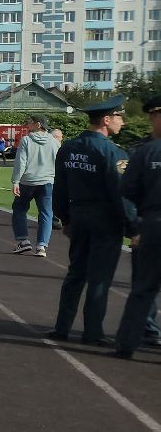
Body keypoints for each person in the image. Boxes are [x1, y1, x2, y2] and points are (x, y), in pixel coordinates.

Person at [48, 98, 132, 348]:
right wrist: (133, 226)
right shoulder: (112, 152)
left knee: (75, 274)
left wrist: (64, 218)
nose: (122, 122)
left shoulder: (69, 147)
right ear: (107, 120)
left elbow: (60, 187)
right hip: (105, 221)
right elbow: (120, 194)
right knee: (100, 278)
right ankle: (92, 332)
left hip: (79, 218)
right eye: (119, 117)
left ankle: (62, 327)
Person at [113, 96, 161, 358]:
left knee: (143, 288)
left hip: (153, 224)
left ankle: (127, 344)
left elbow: (127, 189)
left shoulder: (145, 152)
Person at [12, 114, 58, 256]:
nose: (27, 124)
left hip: (28, 181)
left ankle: (23, 241)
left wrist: (15, 181)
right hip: (47, 182)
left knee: (19, 208)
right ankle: (42, 246)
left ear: (38, 124)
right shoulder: (54, 142)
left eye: (30, 122)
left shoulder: (26, 140)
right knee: (46, 213)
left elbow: (21, 162)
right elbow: (58, 162)